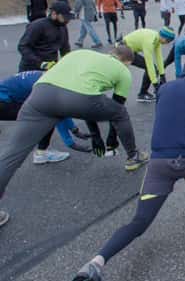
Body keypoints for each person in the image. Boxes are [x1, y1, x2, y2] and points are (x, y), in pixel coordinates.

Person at [71, 58, 185, 281]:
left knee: (139, 222)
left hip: (161, 164)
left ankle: (94, 264)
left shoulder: (164, 90)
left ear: (182, 72)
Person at [0, 47, 149, 229]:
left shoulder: (80, 53)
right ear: (127, 62)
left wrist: (95, 135)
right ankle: (133, 156)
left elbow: (81, 88)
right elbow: (112, 109)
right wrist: (108, 140)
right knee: (121, 114)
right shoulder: (123, 72)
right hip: (80, 99)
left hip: (40, 95)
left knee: (11, 155)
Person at [0, 70, 91, 153]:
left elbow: (62, 110)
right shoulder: (52, 88)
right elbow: (58, 113)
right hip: (3, 103)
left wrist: (75, 130)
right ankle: (41, 154)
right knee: (46, 118)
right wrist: (70, 143)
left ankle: (41, 152)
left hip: (7, 99)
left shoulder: (55, 78)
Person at [122, 27, 175, 102]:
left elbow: (159, 58)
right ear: (164, 36)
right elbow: (149, 63)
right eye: (168, 41)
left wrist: (163, 75)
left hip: (129, 49)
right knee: (151, 67)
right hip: (123, 50)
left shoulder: (157, 38)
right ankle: (142, 94)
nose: (167, 43)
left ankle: (143, 93)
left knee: (154, 68)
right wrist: (155, 84)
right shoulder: (149, 41)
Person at [18, 1, 71, 72]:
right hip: (31, 68)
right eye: (64, 17)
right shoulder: (37, 26)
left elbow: (65, 47)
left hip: (50, 67)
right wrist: (40, 63)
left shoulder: (62, 27)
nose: (67, 20)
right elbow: (23, 46)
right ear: (54, 14)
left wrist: (69, 60)